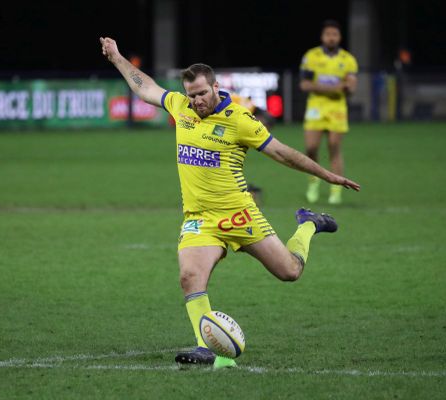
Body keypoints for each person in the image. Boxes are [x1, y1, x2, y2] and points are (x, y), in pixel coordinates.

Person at [100, 37, 360, 369]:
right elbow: (145, 88)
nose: (196, 101)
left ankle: (307, 224)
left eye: (202, 94)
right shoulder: (181, 108)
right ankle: (206, 349)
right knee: (189, 276)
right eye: (191, 95)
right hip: (199, 218)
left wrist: (328, 175)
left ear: (216, 87)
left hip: (239, 214)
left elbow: (282, 153)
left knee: (290, 271)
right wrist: (118, 58)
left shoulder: (239, 120)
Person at [300, 20, 358, 205]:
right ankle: (313, 182)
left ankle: (336, 190)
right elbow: (304, 85)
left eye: (335, 34)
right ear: (322, 36)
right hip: (316, 107)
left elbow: (351, 88)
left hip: (337, 108)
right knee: (311, 148)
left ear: (339, 37)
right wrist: (335, 87)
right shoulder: (311, 56)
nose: (331, 38)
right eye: (328, 34)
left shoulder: (347, 59)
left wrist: (322, 87)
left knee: (334, 147)